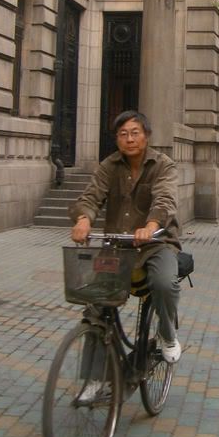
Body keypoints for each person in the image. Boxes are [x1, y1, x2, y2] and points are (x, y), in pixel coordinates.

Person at [69, 110, 182, 365]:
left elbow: (165, 199)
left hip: (156, 244)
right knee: (96, 305)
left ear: (146, 136)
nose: (129, 139)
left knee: (164, 283)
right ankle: (94, 380)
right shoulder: (109, 166)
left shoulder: (163, 165)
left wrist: (151, 225)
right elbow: (91, 196)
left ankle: (167, 334)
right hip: (117, 247)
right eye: (123, 134)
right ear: (117, 139)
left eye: (135, 133)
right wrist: (83, 219)